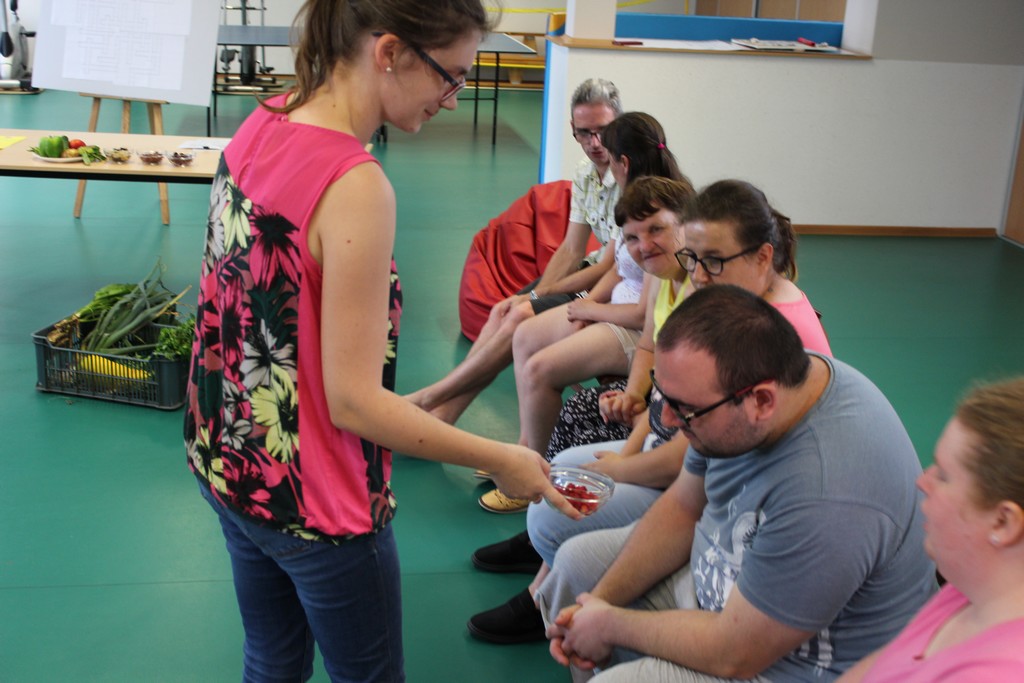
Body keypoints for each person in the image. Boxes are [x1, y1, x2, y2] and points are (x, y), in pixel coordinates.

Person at [183, 2, 578, 681]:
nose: (453, 99)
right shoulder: (356, 186)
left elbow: (259, 318)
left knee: (270, 659)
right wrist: (505, 457)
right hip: (317, 500)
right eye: (450, 76)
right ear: (389, 51)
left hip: (230, 461)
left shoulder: (267, 118)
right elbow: (353, 404)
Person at [470, 180, 832, 644]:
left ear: (763, 257)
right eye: (693, 259)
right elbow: (672, 405)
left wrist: (622, 468)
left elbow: (694, 460)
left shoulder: (769, 333)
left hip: (729, 503)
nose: (698, 275)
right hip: (697, 469)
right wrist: (631, 445)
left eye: (712, 261)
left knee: (560, 505)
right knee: (562, 473)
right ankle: (550, 586)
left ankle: (551, 594)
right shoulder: (735, 300)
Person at [539, 285, 937, 682]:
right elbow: (684, 506)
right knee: (577, 570)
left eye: (684, 409)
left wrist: (610, 625)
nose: (670, 421)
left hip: (790, 663)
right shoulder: (753, 387)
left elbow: (737, 654)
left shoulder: (830, 491)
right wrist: (596, 606)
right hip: (725, 592)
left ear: (762, 402)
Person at [479, 112, 688, 514]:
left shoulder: (662, 213)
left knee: (541, 369)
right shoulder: (632, 199)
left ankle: (531, 478)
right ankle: (525, 449)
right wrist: (583, 302)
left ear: (622, 161)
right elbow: (613, 266)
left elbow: (645, 319)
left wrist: (594, 309)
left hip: (629, 323)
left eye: (606, 152)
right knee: (525, 335)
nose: (598, 156)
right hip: (615, 310)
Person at [406, 78, 623, 426]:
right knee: (501, 311)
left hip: (613, 286)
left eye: (603, 131)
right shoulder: (585, 174)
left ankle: (431, 398)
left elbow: (611, 268)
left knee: (520, 315)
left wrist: (537, 297)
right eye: (584, 133)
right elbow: (571, 249)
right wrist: (536, 293)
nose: (594, 143)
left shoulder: (627, 177)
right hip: (590, 271)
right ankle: (445, 414)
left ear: (619, 125)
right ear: (573, 128)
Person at [837, 377, 1024, 682]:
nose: (923, 481)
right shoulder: (966, 592)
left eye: (944, 476)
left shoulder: (997, 673)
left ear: (1003, 522)